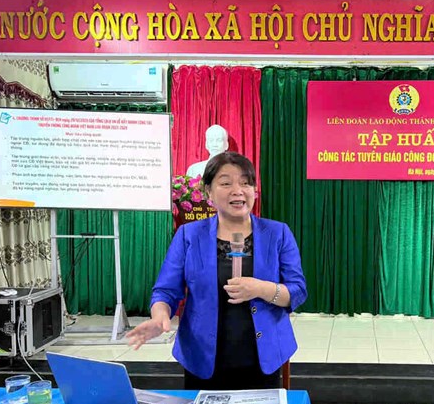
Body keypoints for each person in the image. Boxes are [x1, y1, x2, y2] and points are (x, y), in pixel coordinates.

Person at [127, 152, 307, 390]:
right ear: (208, 192)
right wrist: (160, 316)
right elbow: (165, 291)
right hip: (202, 358)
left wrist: (261, 288)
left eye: (245, 183)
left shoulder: (278, 234)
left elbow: (297, 291)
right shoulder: (189, 236)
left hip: (264, 357)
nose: (238, 190)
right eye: (226, 183)